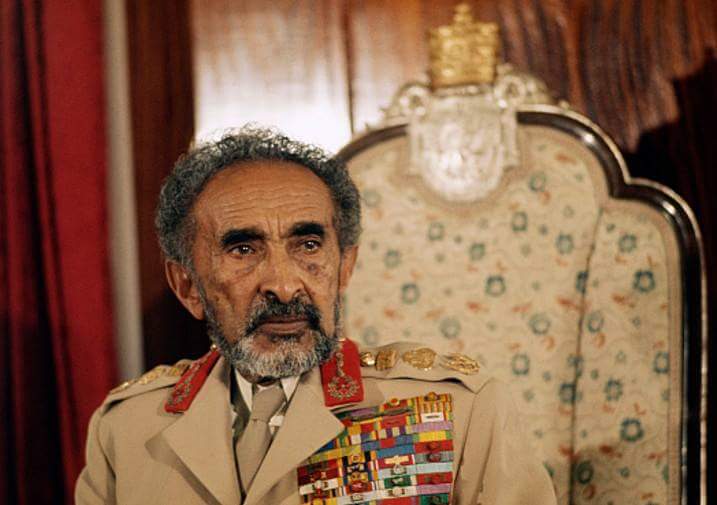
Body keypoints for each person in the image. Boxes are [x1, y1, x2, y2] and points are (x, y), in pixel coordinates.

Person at [75, 126, 557, 505]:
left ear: (344, 266)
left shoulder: (461, 411)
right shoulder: (126, 428)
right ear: (187, 287)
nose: (284, 285)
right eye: (243, 249)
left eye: (308, 245)